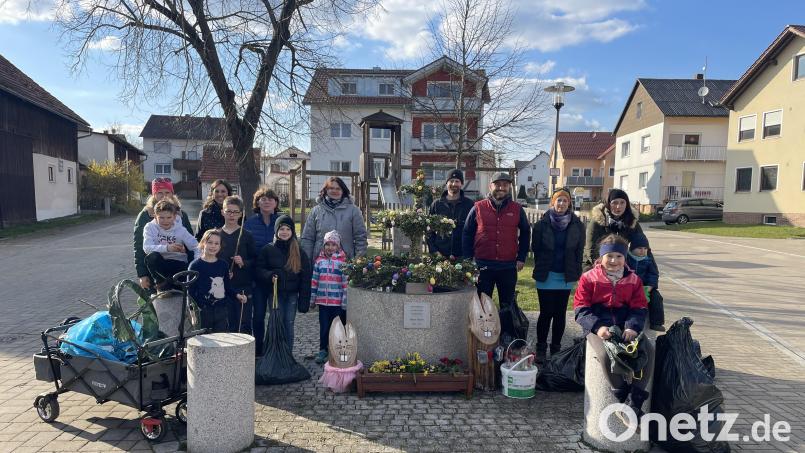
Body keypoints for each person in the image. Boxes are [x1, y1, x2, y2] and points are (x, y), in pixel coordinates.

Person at [573, 234, 653, 422]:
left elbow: (639, 307)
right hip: (598, 327)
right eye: (609, 256)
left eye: (619, 256)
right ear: (601, 258)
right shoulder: (588, 278)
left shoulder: (634, 280)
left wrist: (632, 327)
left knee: (647, 352)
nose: (614, 261)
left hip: (625, 327)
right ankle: (623, 400)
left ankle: (633, 404)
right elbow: (580, 308)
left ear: (625, 258)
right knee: (605, 355)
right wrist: (598, 327)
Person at [531, 188, 586, 363]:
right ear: (552, 203)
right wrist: (544, 266)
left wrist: (576, 271)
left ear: (569, 203)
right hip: (546, 274)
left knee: (560, 313)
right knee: (546, 312)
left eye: (565, 200)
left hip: (565, 274)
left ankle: (556, 348)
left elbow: (579, 250)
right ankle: (541, 347)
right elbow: (536, 249)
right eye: (558, 200)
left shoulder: (577, 225)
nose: (561, 204)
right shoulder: (541, 224)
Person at [462, 172, 530, 311]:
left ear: (509, 187)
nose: (501, 188)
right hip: (483, 265)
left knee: (507, 304)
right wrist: (469, 259)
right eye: (497, 184)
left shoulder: (517, 209)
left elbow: (525, 233)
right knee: (482, 303)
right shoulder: (478, 207)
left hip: (508, 266)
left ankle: (507, 332)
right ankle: (482, 332)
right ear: (490, 186)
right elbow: (467, 234)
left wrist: (521, 257)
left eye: (505, 185)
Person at [255, 215, 312, 352]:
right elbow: (259, 269)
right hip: (275, 294)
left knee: (289, 323)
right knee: (276, 323)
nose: (284, 232)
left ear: (292, 231)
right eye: (281, 229)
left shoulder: (299, 251)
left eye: (288, 229)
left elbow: (305, 278)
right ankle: (275, 354)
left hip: (292, 295)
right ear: (276, 231)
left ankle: (288, 355)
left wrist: (304, 300)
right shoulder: (268, 249)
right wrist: (270, 275)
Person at [134, 178, 193, 290]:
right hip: (155, 269)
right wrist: (142, 274)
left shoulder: (181, 215)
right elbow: (139, 247)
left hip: (179, 265)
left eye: (167, 192)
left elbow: (190, 241)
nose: (164, 196)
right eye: (159, 193)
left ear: (172, 193)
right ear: (154, 194)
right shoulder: (145, 216)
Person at [244, 187, 282, 353]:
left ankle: (275, 349)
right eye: (263, 199)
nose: (266, 201)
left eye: (270, 199)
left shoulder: (282, 221)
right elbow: (245, 249)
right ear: (257, 203)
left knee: (276, 316)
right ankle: (258, 349)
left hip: (277, 277)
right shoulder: (250, 223)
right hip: (257, 277)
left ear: (276, 203)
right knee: (258, 315)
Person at [189, 229, 248, 332]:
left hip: (221, 310)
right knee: (205, 341)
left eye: (216, 243)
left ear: (220, 246)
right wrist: (193, 312)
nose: (213, 246)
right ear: (203, 243)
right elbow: (190, 293)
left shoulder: (223, 265)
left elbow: (227, 287)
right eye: (210, 242)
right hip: (203, 310)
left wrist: (237, 295)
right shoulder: (195, 266)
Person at [301, 177, 367, 265]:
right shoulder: (316, 211)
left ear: (343, 191)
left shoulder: (353, 211)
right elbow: (308, 238)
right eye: (331, 188)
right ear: (326, 190)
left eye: (338, 188)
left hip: (346, 263)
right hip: (319, 264)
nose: (334, 191)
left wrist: (359, 260)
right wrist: (306, 262)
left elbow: (360, 237)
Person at [217, 196, 257, 334]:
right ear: (222, 212)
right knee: (226, 323)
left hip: (242, 285)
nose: (232, 215)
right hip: (221, 287)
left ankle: (246, 355)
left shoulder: (247, 235)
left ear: (241, 214)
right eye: (229, 211)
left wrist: (244, 262)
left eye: (235, 212)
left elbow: (255, 261)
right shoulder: (216, 235)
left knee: (243, 322)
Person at [311, 230, 348, 365]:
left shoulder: (342, 262)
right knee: (324, 326)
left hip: (337, 302)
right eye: (328, 244)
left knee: (338, 327)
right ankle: (323, 349)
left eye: (333, 245)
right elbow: (314, 281)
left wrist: (344, 301)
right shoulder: (319, 262)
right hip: (323, 302)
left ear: (338, 246)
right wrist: (312, 298)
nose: (330, 248)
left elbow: (345, 283)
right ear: (324, 245)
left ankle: (338, 350)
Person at [584, 188, 645, 270]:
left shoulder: (631, 221)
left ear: (627, 204)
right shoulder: (597, 221)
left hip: (620, 263)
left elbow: (643, 244)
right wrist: (605, 267)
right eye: (614, 203)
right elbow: (590, 249)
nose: (618, 206)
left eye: (622, 202)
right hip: (596, 263)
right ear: (608, 204)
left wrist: (651, 269)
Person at [143, 200, 199, 289]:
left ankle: (168, 284)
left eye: (169, 217)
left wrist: (196, 262)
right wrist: (167, 248)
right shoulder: (149, 227)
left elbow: (196, 246)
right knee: (151, 257)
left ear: (174, 216)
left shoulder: (181, 230)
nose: (165, 221)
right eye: (161, 217)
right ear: (155, 216)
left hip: (179, 263)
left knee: (187, 268)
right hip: (161, 264)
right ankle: (161, 283)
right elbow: (146, 248)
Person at [427, 169, 474, 259]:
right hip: (440, 256)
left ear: (461, 184)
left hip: (463, 256)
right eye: (451, 181)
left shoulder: (470, 205)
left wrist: (469, 253)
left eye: (457, 181)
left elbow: (474, 231)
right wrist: (434, 251)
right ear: (446, 183)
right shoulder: (437, 204)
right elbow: (429, 230)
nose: (454, 184)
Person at [627, 232, 665, 331]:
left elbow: (653, 274)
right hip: (629, 286)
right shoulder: (627, 259)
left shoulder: (648, 260)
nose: (642, 251)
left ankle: (656, 322)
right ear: (632, 249)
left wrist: (650, 286)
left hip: (645, 286)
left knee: (656, 298)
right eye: (639, 248)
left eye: (645, 249)